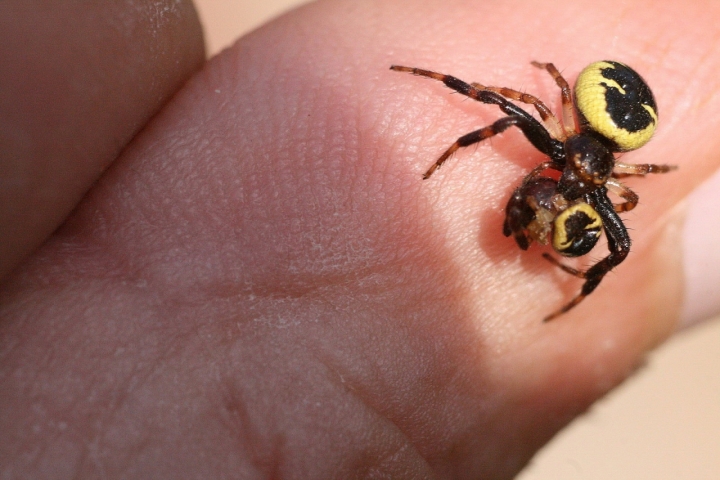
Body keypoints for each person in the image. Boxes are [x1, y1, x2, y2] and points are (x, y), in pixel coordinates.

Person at [1, 0, 718, 477]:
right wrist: (451, 134)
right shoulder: (561, 127)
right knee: (505, 109)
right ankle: (426, 90)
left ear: (608, 174)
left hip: (616, 117)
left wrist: (584, 260)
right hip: (606, 102)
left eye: (588, 181)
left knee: (621, 243)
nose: (571, 176)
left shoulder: (597, 174)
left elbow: (616, 217)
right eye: (568, 167)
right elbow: (513, 105)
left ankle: (574, 292)